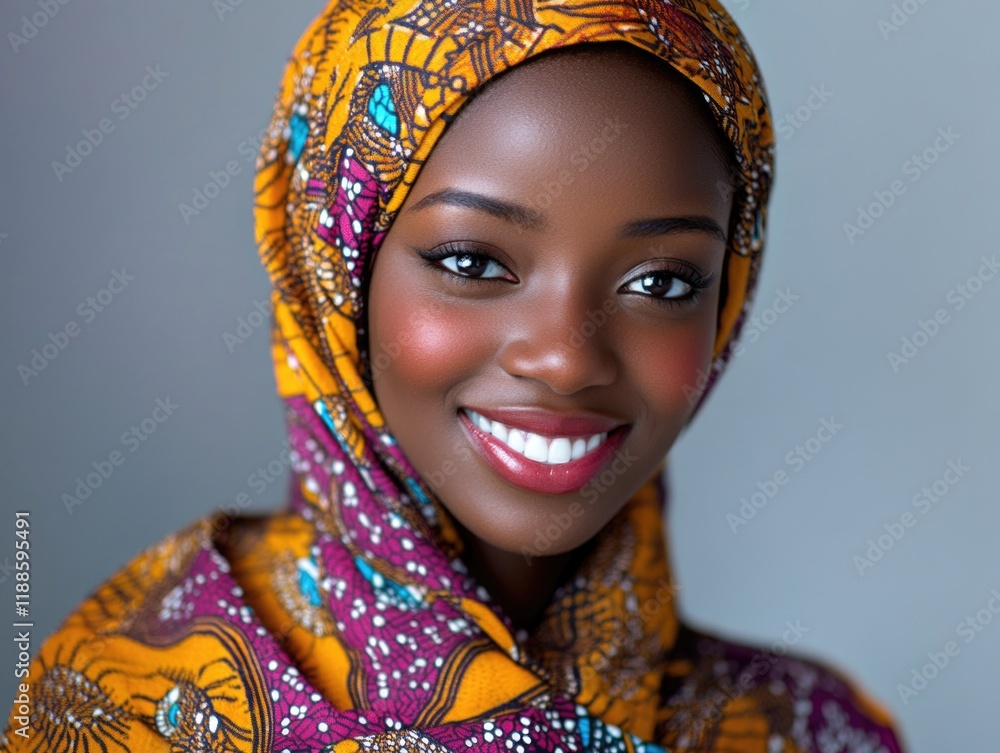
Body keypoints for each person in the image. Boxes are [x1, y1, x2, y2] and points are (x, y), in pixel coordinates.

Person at [2, 0, 907, 750]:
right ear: (335, 275)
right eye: (474, 263)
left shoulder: (808, 730)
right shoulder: (120, 706)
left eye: (661, 281)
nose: (565, 357)